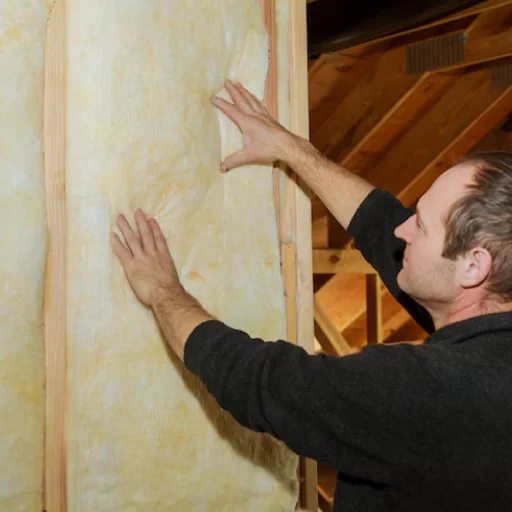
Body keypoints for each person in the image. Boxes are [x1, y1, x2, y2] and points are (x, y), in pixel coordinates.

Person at [111, 79, 512, 511]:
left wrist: (164, 292)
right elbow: (382, 227)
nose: (403, 229)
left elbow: (262, 382)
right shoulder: (489, 336)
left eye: (422, 224)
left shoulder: (432, 395)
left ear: (474, 266)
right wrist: (292, 149)